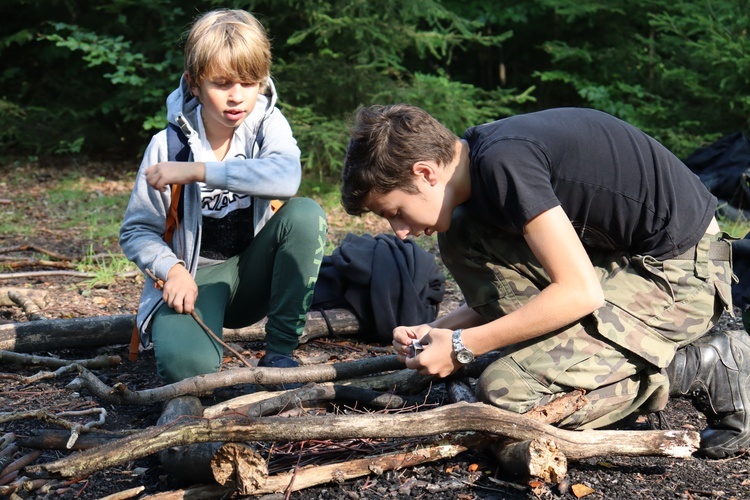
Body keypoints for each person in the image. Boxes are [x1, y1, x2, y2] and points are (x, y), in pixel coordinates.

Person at [340, 103, 750, 459]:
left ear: (425, 173)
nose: (398, 230)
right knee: (461, 233)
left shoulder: (504, 164)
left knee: (504, 394)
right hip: (621, 263)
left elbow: (579, 290)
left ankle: (701, 365)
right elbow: (551, 282)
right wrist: (436, 330)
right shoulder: (477, 168)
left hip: (683, 272)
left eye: (395, 210)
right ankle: (574, 354)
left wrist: (464, 347)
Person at [120, 9, 327, 384]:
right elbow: (136, 231)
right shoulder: (167, 146)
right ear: (194, 84)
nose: (237, 97)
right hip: (195, 280)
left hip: (253, 271)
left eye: (249, 82)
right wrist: (172, 270)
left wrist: (199, 171)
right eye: (222, 83)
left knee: (306, 214)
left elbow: (286, 178)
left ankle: (280, 352)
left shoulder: (267, 124)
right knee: (185, 368)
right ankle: (195, 342)